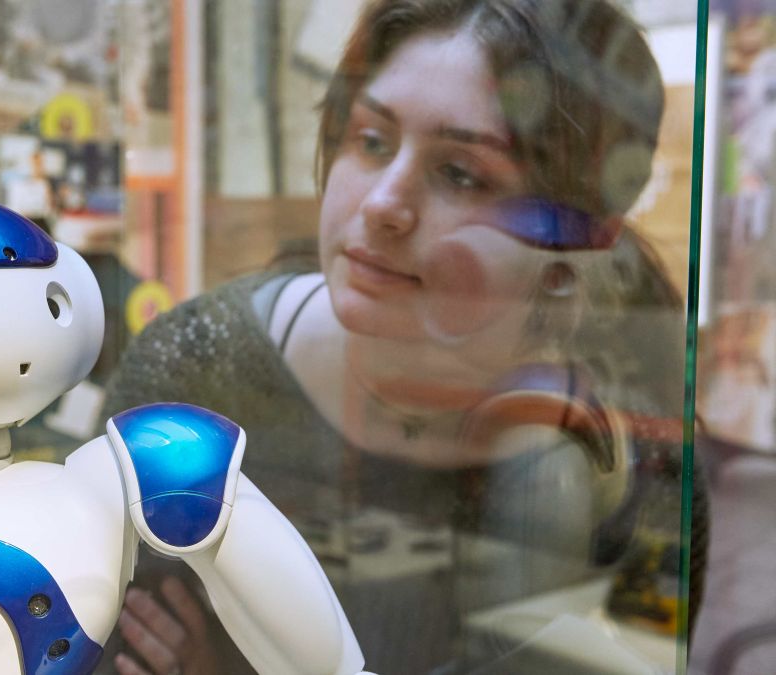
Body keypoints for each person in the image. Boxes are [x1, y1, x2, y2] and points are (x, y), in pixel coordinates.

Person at [97, 0, 705, 673]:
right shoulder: (193, 376)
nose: (384, 203)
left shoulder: (640, 442)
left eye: (461, 173)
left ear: (579, 239)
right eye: (373, 140)